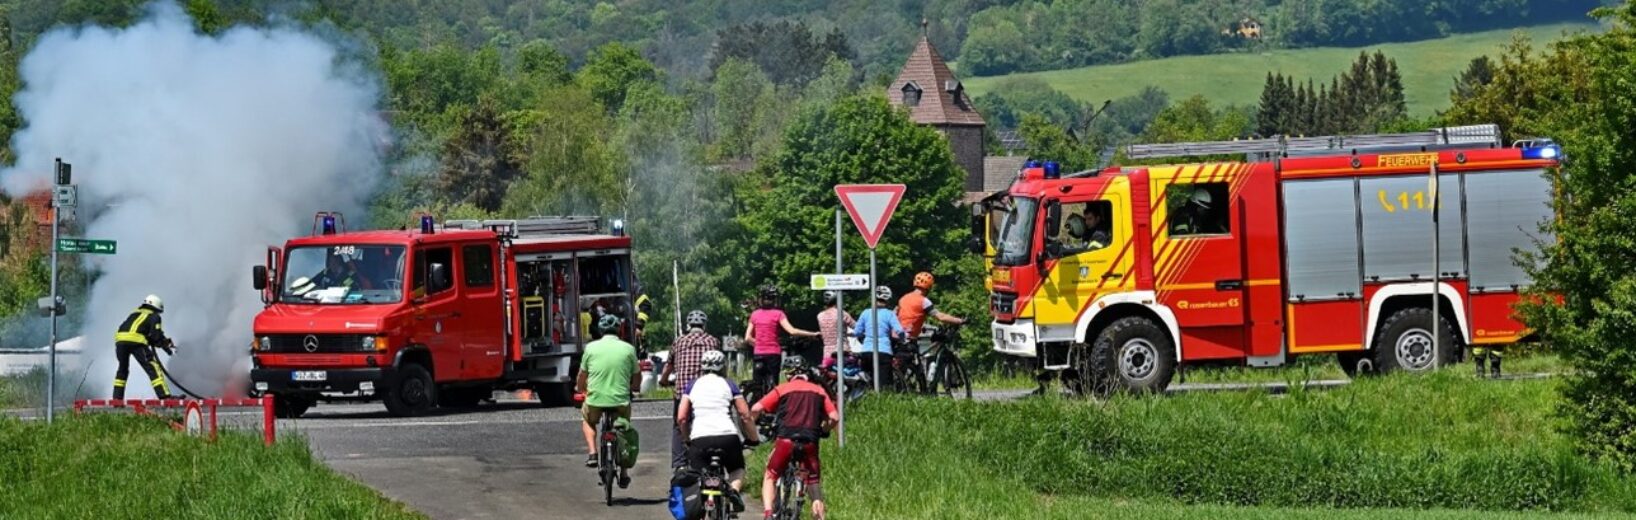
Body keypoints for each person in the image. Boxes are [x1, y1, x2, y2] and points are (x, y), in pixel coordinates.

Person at [751, 357, 838, 520]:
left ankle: (768, 514)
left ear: (788, 374)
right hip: (810, 441)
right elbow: (834, 417)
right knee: (813, 483)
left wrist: (753, 426)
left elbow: (756, 408)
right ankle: (819, 517)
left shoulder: (783, 388)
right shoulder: (819, 390)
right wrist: (823, 429)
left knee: (770, 475)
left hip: (786, 440)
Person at [677, 350, 760, 512]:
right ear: (723, 366)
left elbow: (681, 417)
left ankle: (702, 502)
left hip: (700, 438)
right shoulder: (729, 384)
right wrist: (753, 438)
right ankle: (734, 491)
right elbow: (745, 415)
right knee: (737, 468)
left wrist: (686, 439)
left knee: (699, 474)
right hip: (727, 436)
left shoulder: (692, 385)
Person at [576, 313, 641, 488]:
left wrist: (580, 389)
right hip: (621, 401)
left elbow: (582, 375)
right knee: (623, 427)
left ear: (600, 330)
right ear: (619, 330)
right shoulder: (628, 349)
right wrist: (634, 388)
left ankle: (592, 453)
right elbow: (637, 375)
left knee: (588, 420)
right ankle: (625, 472)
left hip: (595, 400)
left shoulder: (591, 348)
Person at [662, 309, 721, 469]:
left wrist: (664, 380)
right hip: (706, 392)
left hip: (683, 392)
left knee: (678, 425)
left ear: (688, 325)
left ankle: (679, 463)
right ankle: (707, 459)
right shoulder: (713, 341)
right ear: (704, 325)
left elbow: (669, 365)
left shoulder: (679, 341)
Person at [743, 284, 819, 393]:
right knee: (774, 385)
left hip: (758, 353)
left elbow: (747, 338)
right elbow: (792, 331)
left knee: (757, 383)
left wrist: (759, 344)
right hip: (773, 353)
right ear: (775, 300)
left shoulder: (754, 314)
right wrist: (812, 334)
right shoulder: (778, 314)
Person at [112, 294, 177, 400]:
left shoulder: (134, 313)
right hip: (136, 342)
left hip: (120, 341)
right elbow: (156, 336)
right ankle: (164, 396)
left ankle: (117, 399)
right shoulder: (154, 316)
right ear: (157, 307)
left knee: (122, 370)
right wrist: (163, 344)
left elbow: (148, 333)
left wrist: (165, 345)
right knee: (153, 368)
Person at [852, 286, 905, 388]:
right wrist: (903, 339)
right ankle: (882, 402)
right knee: (884, 384)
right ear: (888, 300)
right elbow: (899, 330)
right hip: (883, 351)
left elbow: (857, 332)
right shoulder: (889, 314)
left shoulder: (866, 312)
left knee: (867, 381)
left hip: (866, 351)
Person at [896, 272, 965, 342]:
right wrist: (959, 321)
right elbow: (941, 317)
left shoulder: (903, 298)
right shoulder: (923, 301)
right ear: (929, 286)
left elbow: (897, 315)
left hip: (894, 337)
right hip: (908, 340)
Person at [815, 291, 855, 370]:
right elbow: (856, 327)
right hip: (843, 351)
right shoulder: (841, 313)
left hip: (827, 353)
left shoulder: (820, 315)